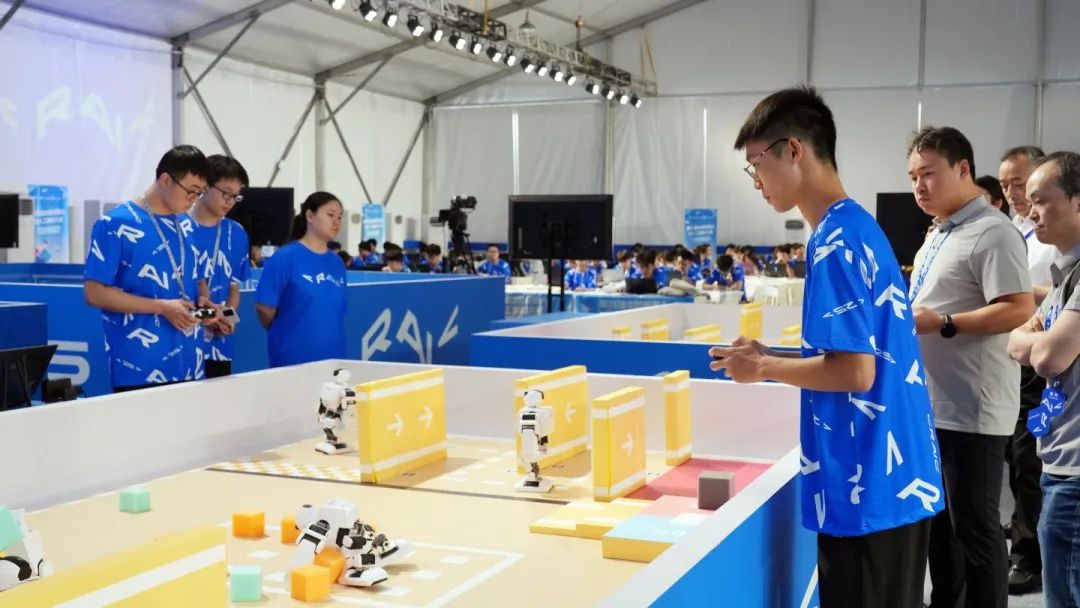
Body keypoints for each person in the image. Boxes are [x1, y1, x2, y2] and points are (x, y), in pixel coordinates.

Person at [713, 86, 944, 608]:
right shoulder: (857, 227)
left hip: (867, 489)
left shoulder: (834, 243)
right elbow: (856, 356)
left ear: (793, 150)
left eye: (756, 164)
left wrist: (764, 367)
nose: (756, 181)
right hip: (891, 479)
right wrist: (771, 354)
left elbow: (855, 374)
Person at [907, 127, 1035, 608]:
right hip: (933, 405)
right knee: (943, 529)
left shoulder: (993, 232)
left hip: (972, 410)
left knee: (976, 531)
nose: (919, 186)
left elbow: (1018, 307)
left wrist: (945, 322)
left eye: (928, 173)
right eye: (913, 177)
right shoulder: (939, 233)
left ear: (963, 168)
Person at [1006, 151, 1080, 608]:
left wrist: (1034, 340)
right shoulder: (1063, 275)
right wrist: (1034, 339)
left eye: (1040, 199)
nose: (1030, 211)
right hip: (1061, 463)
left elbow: (1048, 357)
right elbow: (1016, 343)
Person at [84, 145, 211, 392]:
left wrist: (204, 306)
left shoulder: (187, 225)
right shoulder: (115, 224)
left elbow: (193, 283)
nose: (194, 200)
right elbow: (94, 293)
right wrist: (162, 307)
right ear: (166, 180)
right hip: (138, 369)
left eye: (199, 193)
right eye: (191, 191)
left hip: (190, 364)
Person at [998, 146, 1055, 595]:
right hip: (1010, 357)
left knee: (1028, 458)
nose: (1013, 193)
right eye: (1005, 185)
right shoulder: (1015, 229)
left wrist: (1023, 293)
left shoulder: (1053, 234)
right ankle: (1020, 532)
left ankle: (1029, 557)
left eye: (1019, 183)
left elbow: (1063, 291)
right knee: (1012, 457)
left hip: (1044, 360)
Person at [255, 192, 347, 368]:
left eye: (340, 217)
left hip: (333, 358)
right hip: (292, 359)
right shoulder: (284, 258)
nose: (336, 222)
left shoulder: (337, 263)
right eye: (330, 215)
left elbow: (336, 312)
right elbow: (264, 308)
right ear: (310, 216)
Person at [190, 155, 250, 379]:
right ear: (205, 185)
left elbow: (233, 290)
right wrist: (208, 315)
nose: (230, 201)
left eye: (236, 196)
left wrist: (227, 319)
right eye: (226, 193)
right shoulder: (179, 228)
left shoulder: (236, 233)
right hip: (183, 343)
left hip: (219, 346)